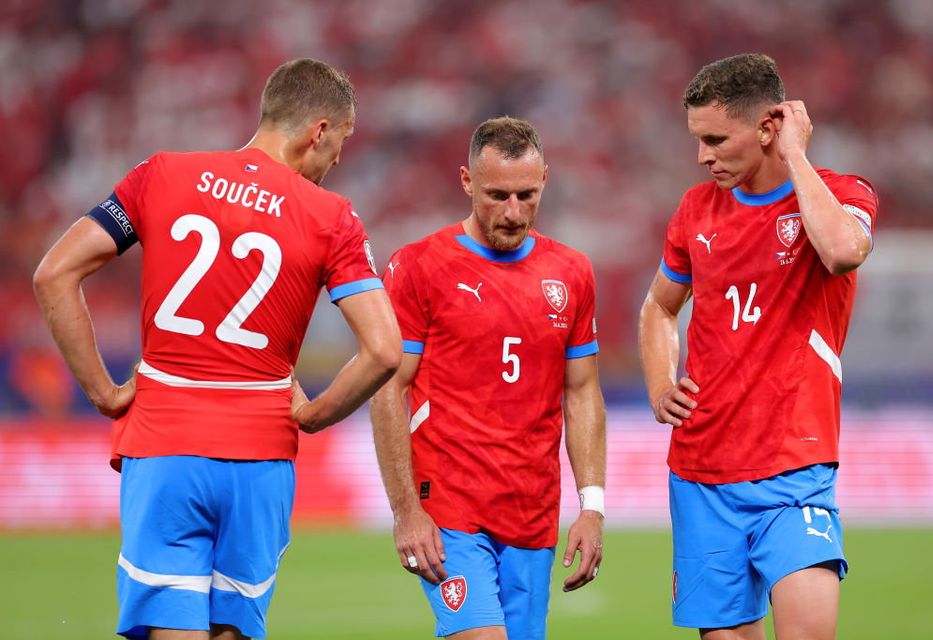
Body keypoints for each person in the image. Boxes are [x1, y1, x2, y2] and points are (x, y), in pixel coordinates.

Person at [33, 58, 401, 640]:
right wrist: (314, 414)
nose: (337, 162)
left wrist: (104, 392)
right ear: (320, 130)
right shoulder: (332, 217)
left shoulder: (162, 175)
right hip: (259, 454)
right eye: (342, 144)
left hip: (164, 442)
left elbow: (54, 273)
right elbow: (385, 349)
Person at [638, 53, 878, 640]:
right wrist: (660, 383)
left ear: (770, 127)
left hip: (794, 467)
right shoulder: (695, 211)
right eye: (698, 140)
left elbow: (844, 252)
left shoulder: (843, 194)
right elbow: (657, 308)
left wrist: (796, 156)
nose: (703, 156)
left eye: (717, 139)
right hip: (701, 472)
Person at [370, 117, 606, 640]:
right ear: (466, 181)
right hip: (450, 508)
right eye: (497, 195)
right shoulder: (419, 266)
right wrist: (407, 510)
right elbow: (390, 387)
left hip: (532, 511)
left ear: (546, 178)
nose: (513, 211)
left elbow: (582, 391)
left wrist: (592, 508)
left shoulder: (571, 272)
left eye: (526, 194)